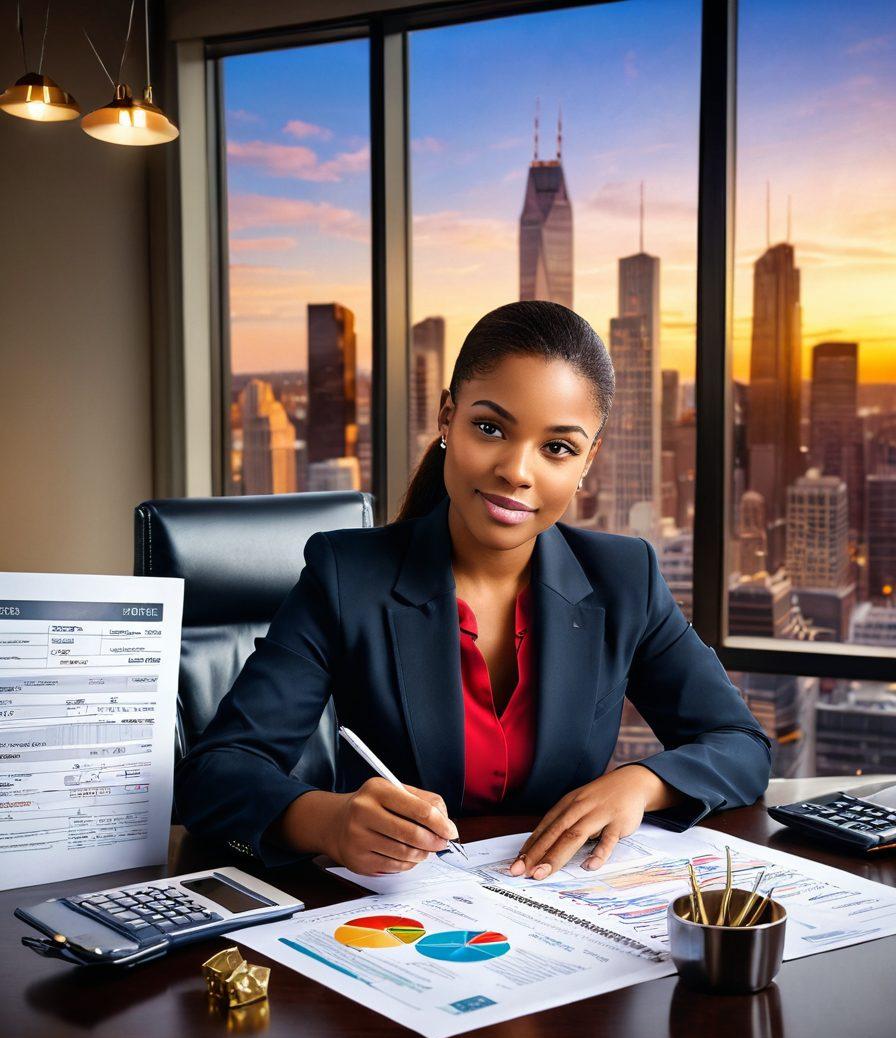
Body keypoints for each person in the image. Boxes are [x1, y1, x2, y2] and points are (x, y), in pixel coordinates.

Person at [175, 300, 770, 880]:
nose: (517, 469)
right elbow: (217, 775)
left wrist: (641, 783)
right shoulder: (346, 576)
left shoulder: (624, 578)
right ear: (445, 419)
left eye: (557, 447)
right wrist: (327, 822)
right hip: (402, 921)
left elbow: (741, 745)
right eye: (490, 428)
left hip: (559, 913)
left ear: (588, 460)